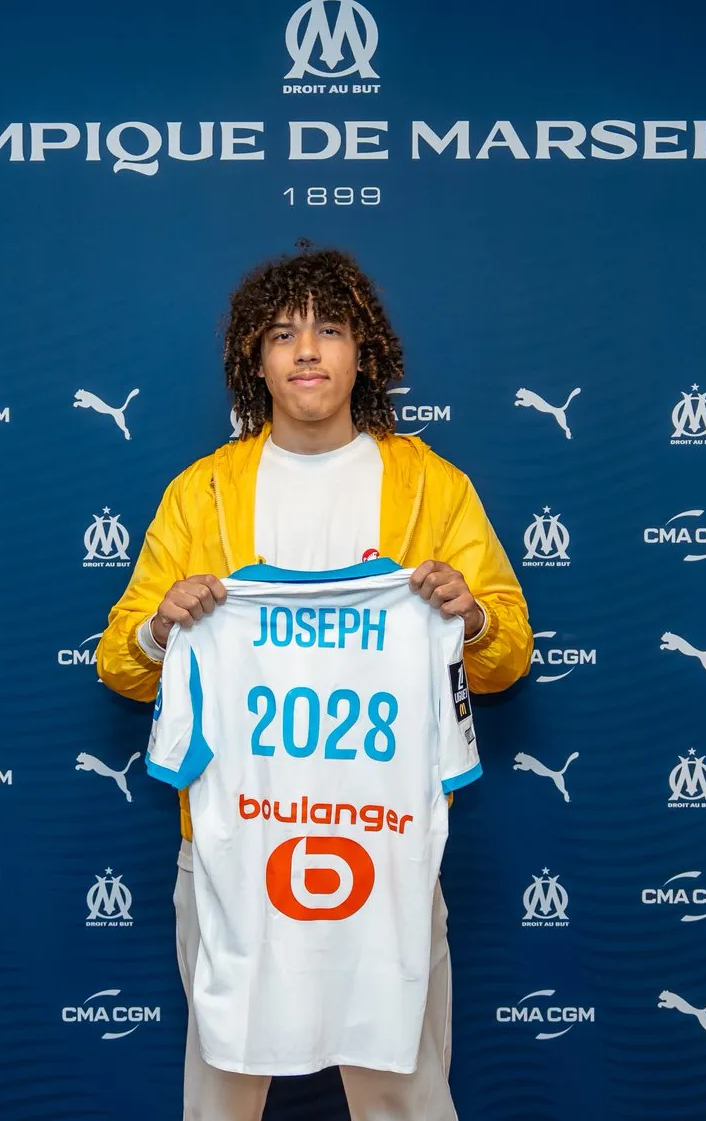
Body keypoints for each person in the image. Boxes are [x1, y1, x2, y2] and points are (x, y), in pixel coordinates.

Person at [96, 243, 532, 1121]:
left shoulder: (431, 487)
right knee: (224, 1077)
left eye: (329, 330)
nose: (306, 351)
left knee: (400, 1080)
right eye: (282, 334)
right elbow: (120, 661)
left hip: (385, 836)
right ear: (253, 361)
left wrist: (471, 617)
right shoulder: (202, 493)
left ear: (362, 353)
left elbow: (507, 652)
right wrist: (161, 626)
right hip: (234, 839)